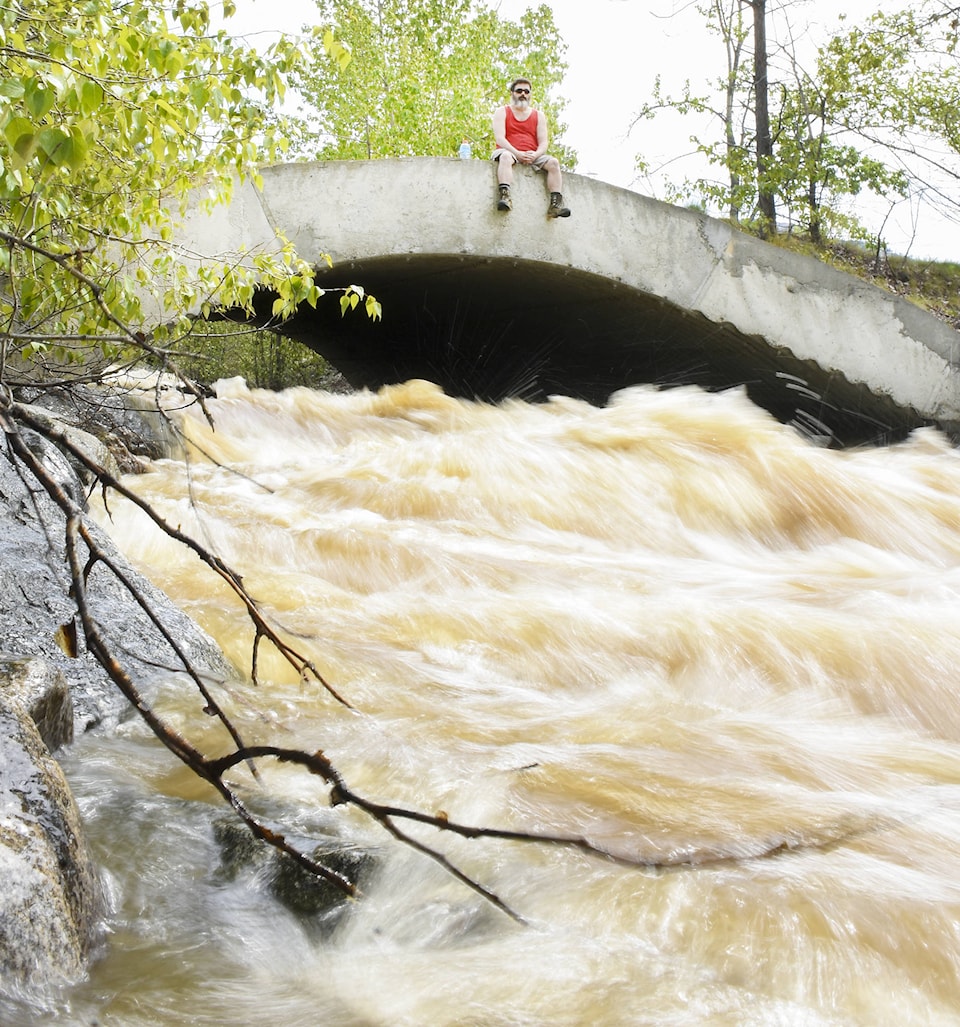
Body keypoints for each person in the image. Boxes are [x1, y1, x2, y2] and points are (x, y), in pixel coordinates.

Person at [491, 77, 571, 219]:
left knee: (554, 163)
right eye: (519, 91)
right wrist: (517, 153)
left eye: (526, 91)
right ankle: (505, 196)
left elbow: (544, 142)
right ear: (512, 93)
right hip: (509, 151)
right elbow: (500, 139)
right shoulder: (502, 111)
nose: (523, 94)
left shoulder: (538, 115)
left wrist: (535, 155)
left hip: (533, 154)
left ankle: (555, 205)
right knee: (505, 157)